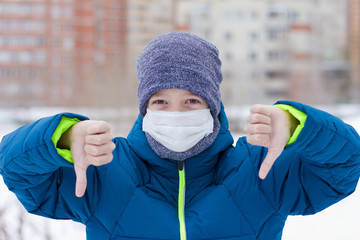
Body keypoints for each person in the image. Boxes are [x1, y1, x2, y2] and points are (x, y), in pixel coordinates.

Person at [0, 32, 360, 240]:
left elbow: (344, 167)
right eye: (160, 101)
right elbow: (16, 170)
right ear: (144, 108)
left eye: (191, 100)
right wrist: (57, 140)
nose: (175, 113)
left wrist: (302, 128)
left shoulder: (261, 169)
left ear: (213, 105)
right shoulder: (102, 170)